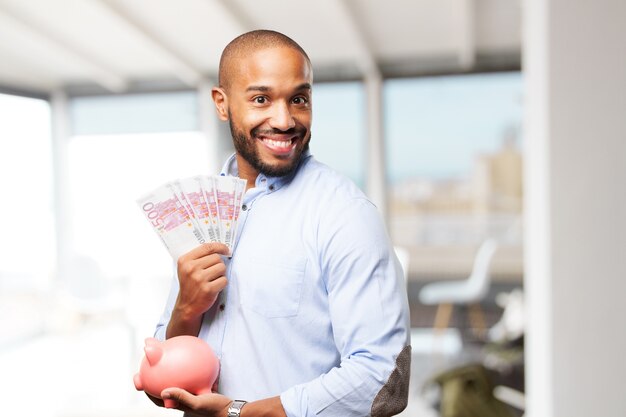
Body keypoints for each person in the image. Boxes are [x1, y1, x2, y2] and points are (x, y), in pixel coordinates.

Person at [151, 29, 411, 417]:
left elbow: (385, 379)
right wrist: (185, 312)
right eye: (261, 99)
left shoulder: (344, 214)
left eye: (299, 99)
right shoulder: (203, 214)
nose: (285, 119)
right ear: (222, 105)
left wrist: (240, 413)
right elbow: (164, 389)